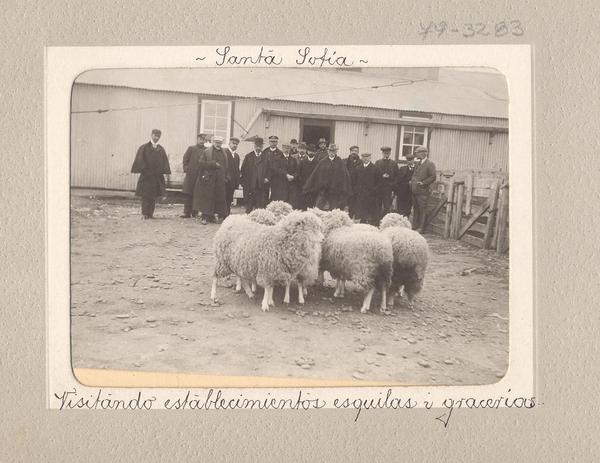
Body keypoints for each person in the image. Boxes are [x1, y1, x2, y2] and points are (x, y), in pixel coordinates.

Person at [130, 129, 171, 219]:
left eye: (158, 136)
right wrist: (145, 169)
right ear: (151, 135)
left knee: (154, 195)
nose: (156, 138)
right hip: (147, 176)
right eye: (155, 136)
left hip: (156, 176)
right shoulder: (144, 147)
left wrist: (163, 170)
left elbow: (164, 161)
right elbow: (140, 159)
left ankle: (150, 214)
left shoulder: (160, 149)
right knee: (146, 195)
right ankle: (144, 213)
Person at [303, 143, 351, 211]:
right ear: (328, 151)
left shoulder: (340, 162)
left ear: (336, 151)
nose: (332, 153)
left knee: (334, 210)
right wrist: (307, 186)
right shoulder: (323, 162)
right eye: (330, 151)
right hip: (324, 191)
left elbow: (345, 176)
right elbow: (315, 174)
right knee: (317, 208)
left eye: (333, 151)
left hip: (334, 191)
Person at [192, 135, 228, 225]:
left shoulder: (224, 153)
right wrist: (213, 164)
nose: (218, 144)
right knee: (207, 198)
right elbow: (201, 163)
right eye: (217, 142)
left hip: (220, 180)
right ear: (213, 142)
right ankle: (205, 217)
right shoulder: (207, 152)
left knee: (218, 198)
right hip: (209, 179)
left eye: (220, 143)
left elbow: (226, 166)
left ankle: (212, 217)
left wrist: (226, 177)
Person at [409, 146, 436, 233]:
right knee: (416, 209)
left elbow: (433, 176)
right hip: (415, 190)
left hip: (423, 191)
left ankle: (421, 227)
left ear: (423, 153)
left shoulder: (430, 164)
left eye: (417, 153)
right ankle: (415, 226)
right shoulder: (418, 163)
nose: (416, 155)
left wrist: (423, 183)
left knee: (422, 210)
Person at [240, 137, 271, 213]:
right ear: (254, 146)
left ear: (262, 146)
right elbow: (243, 170)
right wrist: (245, 183)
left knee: (260, 206)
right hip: (250, 186)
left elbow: (270, 169)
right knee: (249, 206)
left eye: (260, 146)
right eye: (257, 146)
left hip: (261, 186)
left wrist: (267, 178)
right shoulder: (248, 156)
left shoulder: (266, 157)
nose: (258, 148)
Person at [180, 133, 207, 218]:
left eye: (203, 140)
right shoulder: (191, 148)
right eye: (200, 139)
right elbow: (185, 159)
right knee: (188, 194)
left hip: (201, 176)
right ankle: (186, 212)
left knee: (198, 194)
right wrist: (187, 169)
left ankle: (195, 212)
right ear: (197, 139)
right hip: (191, 175)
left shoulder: (206, 150)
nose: (202, 141)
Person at [352, 152, 382, 225]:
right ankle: (362, 224)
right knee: (361, 212)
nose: (365, 159)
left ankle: (372, 224)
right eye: (364, 157)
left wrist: (374, 191)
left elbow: (379, 182)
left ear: (370, 158)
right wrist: (357, 190)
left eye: (367, 157)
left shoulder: (376, 169)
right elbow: (354, 181)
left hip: (371, 196)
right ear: (361, 158)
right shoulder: (358, 168)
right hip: (360, 195)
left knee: (371, 213)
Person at [375, 146, 399, 218]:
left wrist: (392, 186)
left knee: (387, 205)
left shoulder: (393, 163)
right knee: (378, 204)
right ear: (382, 153)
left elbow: (397, 176)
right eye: (385, 153)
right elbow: (374, 174)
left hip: (388, 188)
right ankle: (377, 219)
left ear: (390, 153)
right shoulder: (378, 162)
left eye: (388, 153)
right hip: (379, 188)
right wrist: (381, 176)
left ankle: (385, 219)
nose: (386, 155)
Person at [297, 144, 319, 210]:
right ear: (307, 151)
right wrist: (302, 184)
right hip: (304, 187)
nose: (311, 153)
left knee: (311, 206)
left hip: (313, 188)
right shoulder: (303, 162)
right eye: (309, 151)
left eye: (312, 151)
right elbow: (299, 174)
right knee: (303, 205)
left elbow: (318, 176)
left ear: (315, 152)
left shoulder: (318, 163)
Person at [224, 137, 241, 217]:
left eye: (236, 144)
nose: (235, 145)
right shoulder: (224, 153)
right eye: (233, 143)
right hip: (225, 181)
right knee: (224, 198)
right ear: (229, 144)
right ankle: (222, 214)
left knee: (229, 198)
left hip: (233, 182)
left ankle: (227, 213)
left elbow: (237, 170)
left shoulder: (237, 156)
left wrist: (237, 182)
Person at [394, 153, 416, 218]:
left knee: (408, 208)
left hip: (411, 192)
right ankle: (401, 220)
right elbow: (397, 180)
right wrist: (396, 191)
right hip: (402, 192)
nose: (409, 162)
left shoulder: (417, 169)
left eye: (411, 160)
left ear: (413, 160)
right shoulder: (402, 168)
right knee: (400, 208)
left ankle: (406, 219)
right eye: (408, 160)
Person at [345, 145, 361, 218]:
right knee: (345, 203)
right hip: (346, 186)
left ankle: (353, 217)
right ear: (350, 151)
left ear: (358, 152)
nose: (354, 152)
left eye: (356, 151)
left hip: (356, 187)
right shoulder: (344, 161)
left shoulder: (361, 162)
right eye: (353, 151)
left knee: (354, 204)